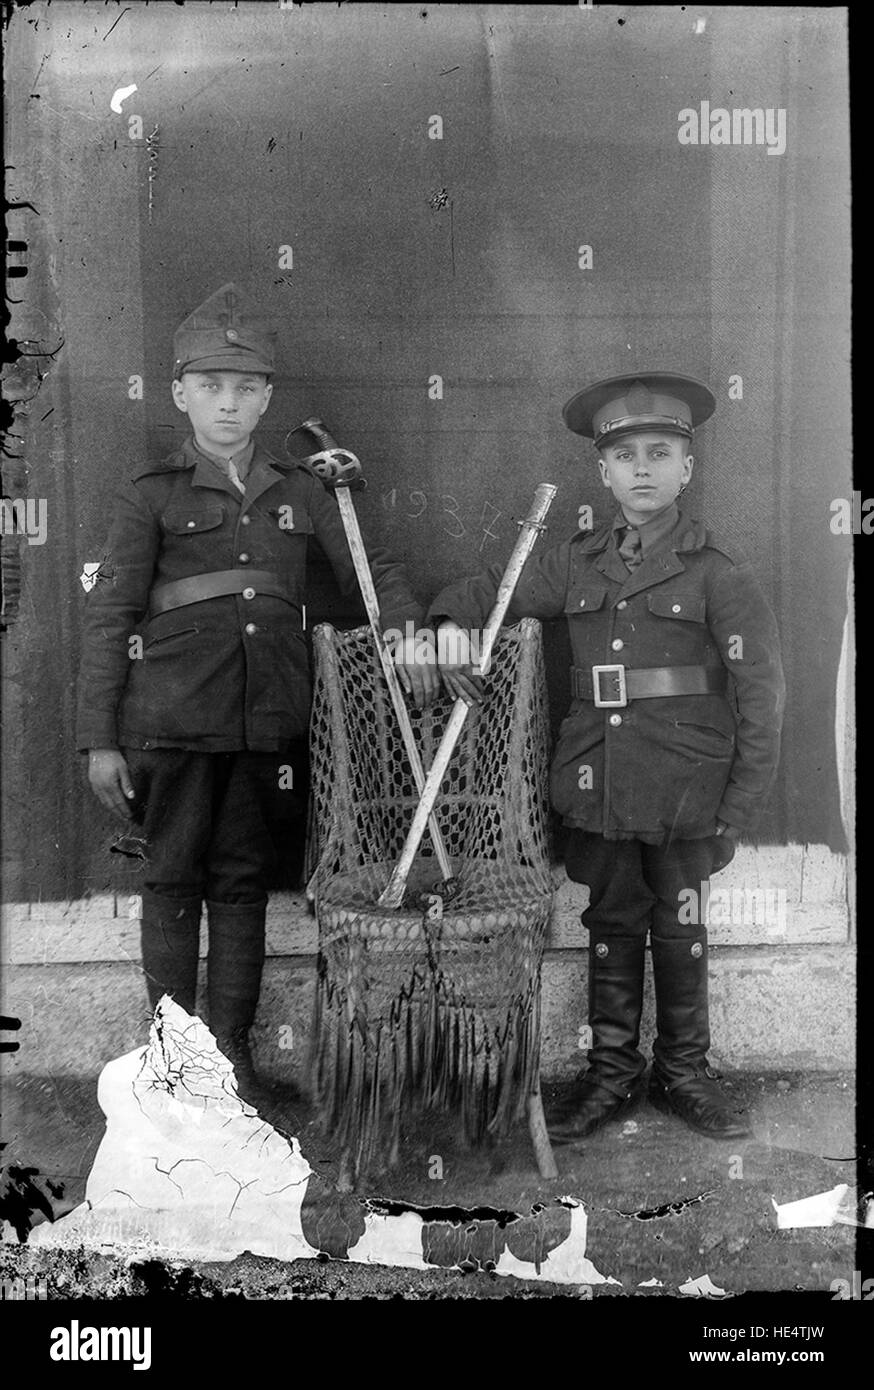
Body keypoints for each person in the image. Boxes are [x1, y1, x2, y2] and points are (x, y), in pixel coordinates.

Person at [76, 282, 438, 1101]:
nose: (228, 404)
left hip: (264, 719)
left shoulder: (301, 487)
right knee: (172, 879)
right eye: (211, 387)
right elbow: (111, 618)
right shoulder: (152, 493)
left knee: (241, 882)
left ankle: (230, 1062)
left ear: (267, 395)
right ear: (180, 393)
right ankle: (175, 1070)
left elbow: (369, 570)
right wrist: (99, 737)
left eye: (245, 388)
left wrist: (410, 634)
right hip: (168, 719)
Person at [429, 372, 785, 1141]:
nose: (644, 469)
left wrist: (737, 811)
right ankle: (612, 1076)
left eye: (661, 453)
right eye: (626, 456)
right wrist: (453, 624)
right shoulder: (576, 562)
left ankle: (685, 1074)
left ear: (687, 467)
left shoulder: (718, 571)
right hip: (601, 782)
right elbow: (492, 588)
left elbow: (763, 697)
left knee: (683, 928)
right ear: (604, 472)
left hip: (690, 790)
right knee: (612, 923)